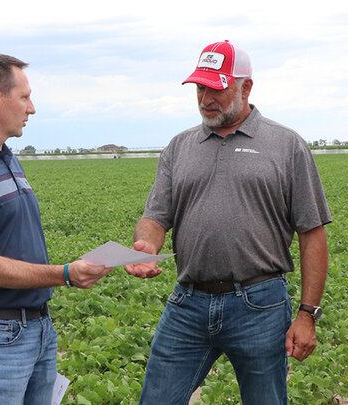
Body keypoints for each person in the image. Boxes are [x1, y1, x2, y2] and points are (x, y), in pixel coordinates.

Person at [126, 40, 332, 404]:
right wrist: (146, 244)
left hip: (260, 305)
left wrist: (307, 314)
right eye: (200, 87)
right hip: (187, 303)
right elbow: (156, 216)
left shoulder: (286, 146)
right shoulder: (180, 146)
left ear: (246, 86)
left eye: (216, 88)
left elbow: (312, 233)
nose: (206, 98)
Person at [0, 53, 112, 404]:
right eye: (25, 97)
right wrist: (65, 274)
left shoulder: (6, 157)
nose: (32, 108)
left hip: (37, 327)